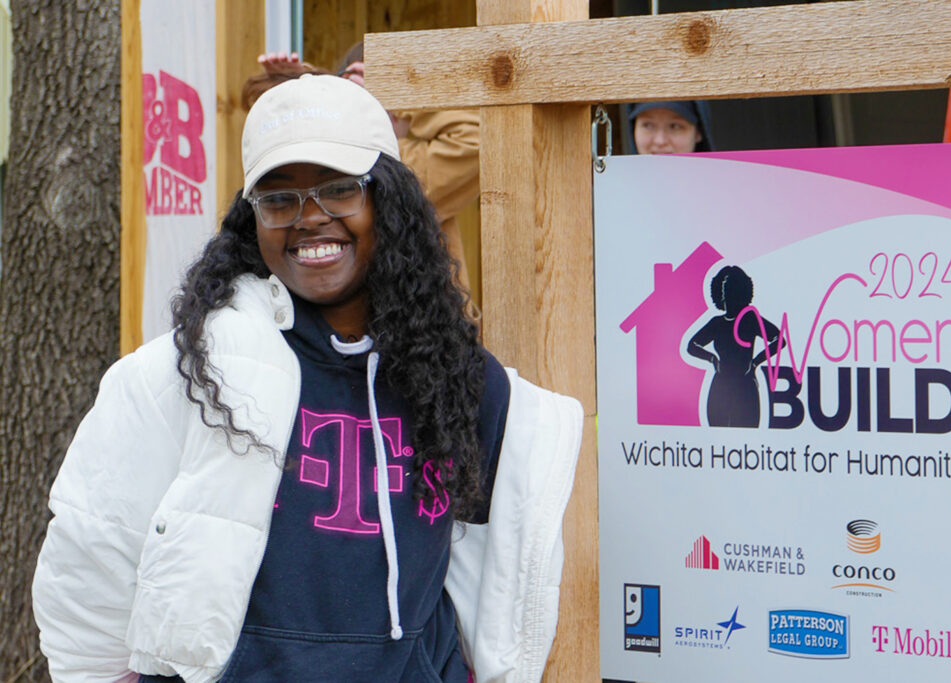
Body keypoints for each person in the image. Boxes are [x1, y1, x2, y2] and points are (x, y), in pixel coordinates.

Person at [32, 75, 582, 682]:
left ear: (388, 201)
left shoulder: (461, 381)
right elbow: (92, 561)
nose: (310, 218)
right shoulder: (184, 376)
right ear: (252, 218)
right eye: (278, 199)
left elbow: (486, 573)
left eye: (339, 190)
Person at [247, 46, 481, 298]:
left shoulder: (410, 166)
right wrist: (309, 86)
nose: (313, 217)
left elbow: (478, 139)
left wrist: (400, 93)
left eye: (340, 189)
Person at [686, 265, 782, 428]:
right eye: (724, 292)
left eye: (730, 292)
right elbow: (691, 346)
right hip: (720, 386)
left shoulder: (750, 319)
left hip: (745, 386)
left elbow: (778, 340)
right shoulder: (717, 323)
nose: (726, 297)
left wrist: (755, 362)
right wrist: (712, 358)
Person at [626, 100, 714, 155]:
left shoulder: (721, 183)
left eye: (674, 126)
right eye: (648, 125)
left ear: (698, 132)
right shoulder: (617, 184)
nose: (660, 141)